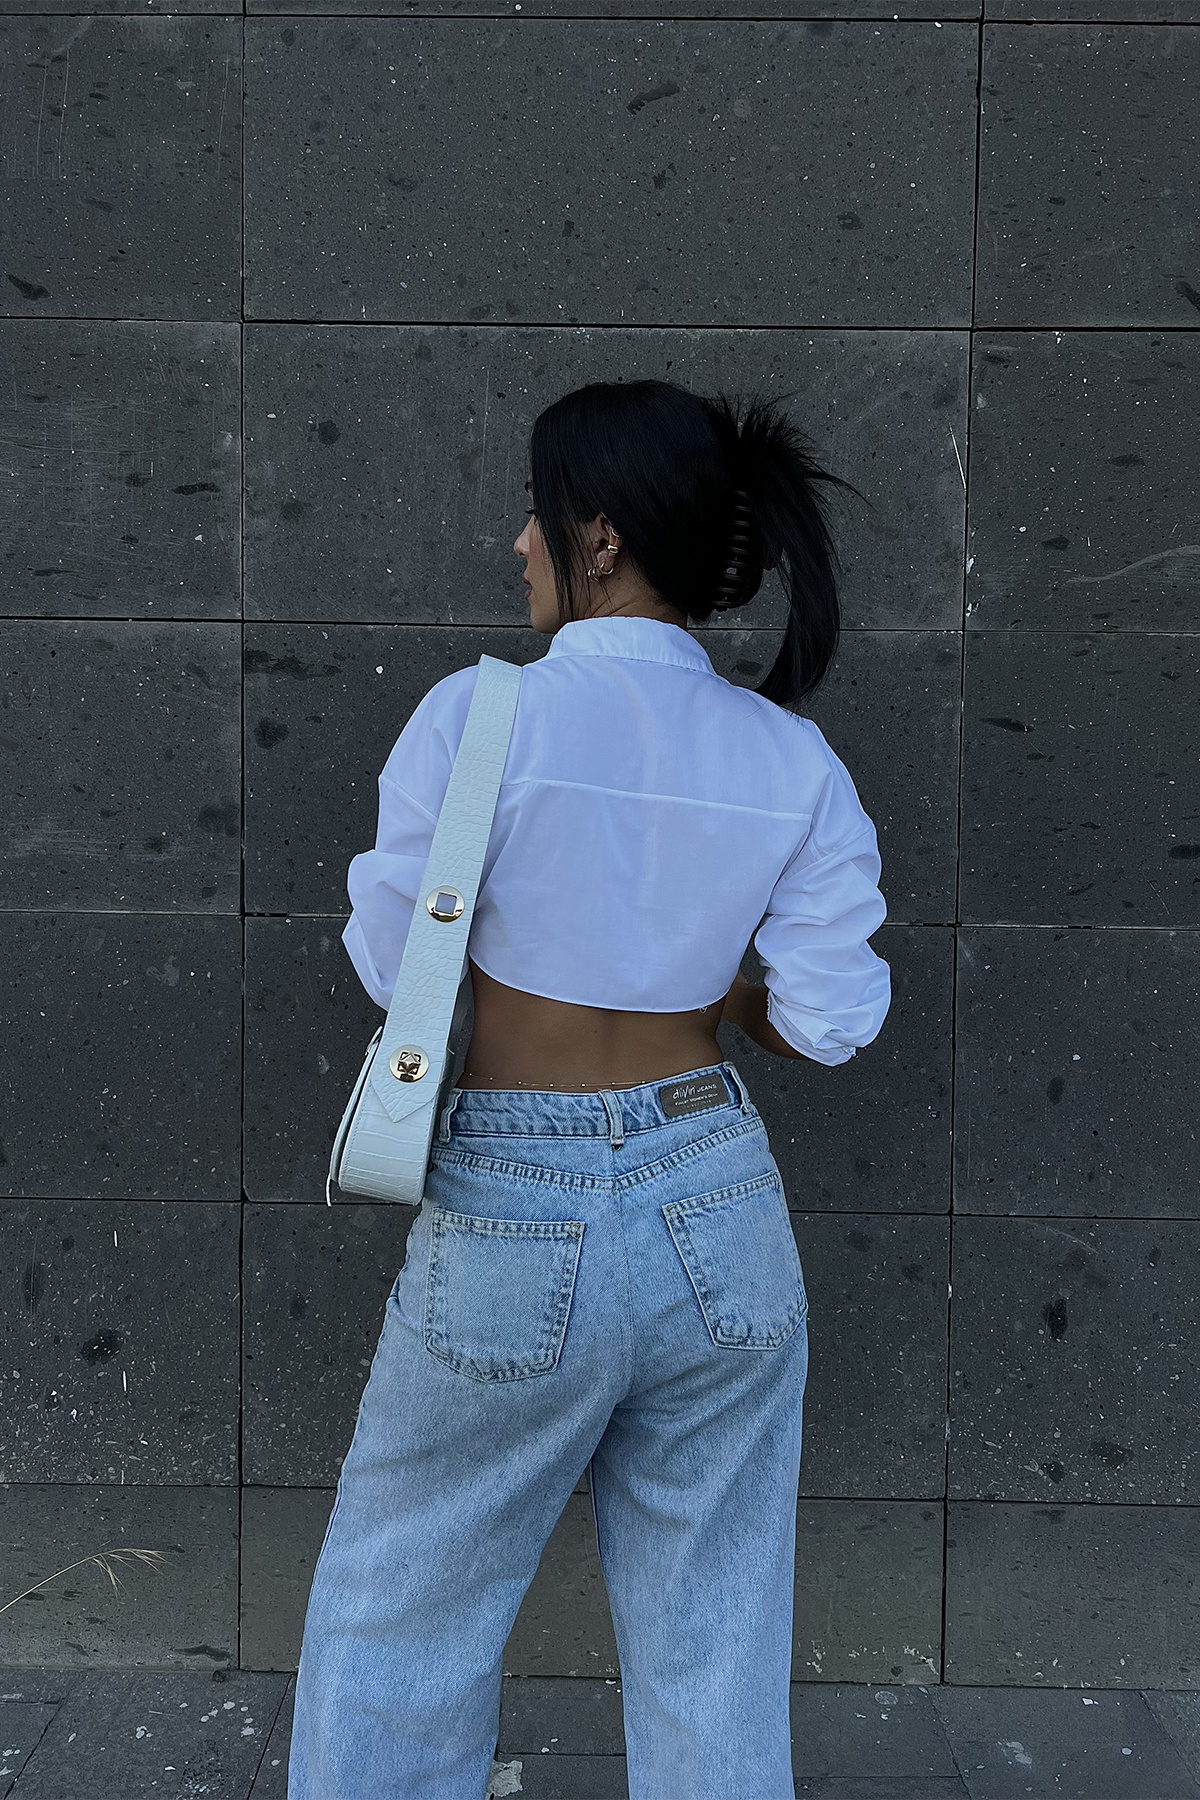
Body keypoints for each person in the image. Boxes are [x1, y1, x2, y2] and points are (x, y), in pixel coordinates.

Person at [287, 378, 891, 1800]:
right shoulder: (790, 756)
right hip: (716, 1196)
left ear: (601, 537)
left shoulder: (479, 717)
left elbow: (390, 960)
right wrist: (712, 994)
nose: (521, 543)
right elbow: (832, 1021)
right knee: (714, 1639)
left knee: (404, 1606)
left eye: (538, 513)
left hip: (515, 1196)